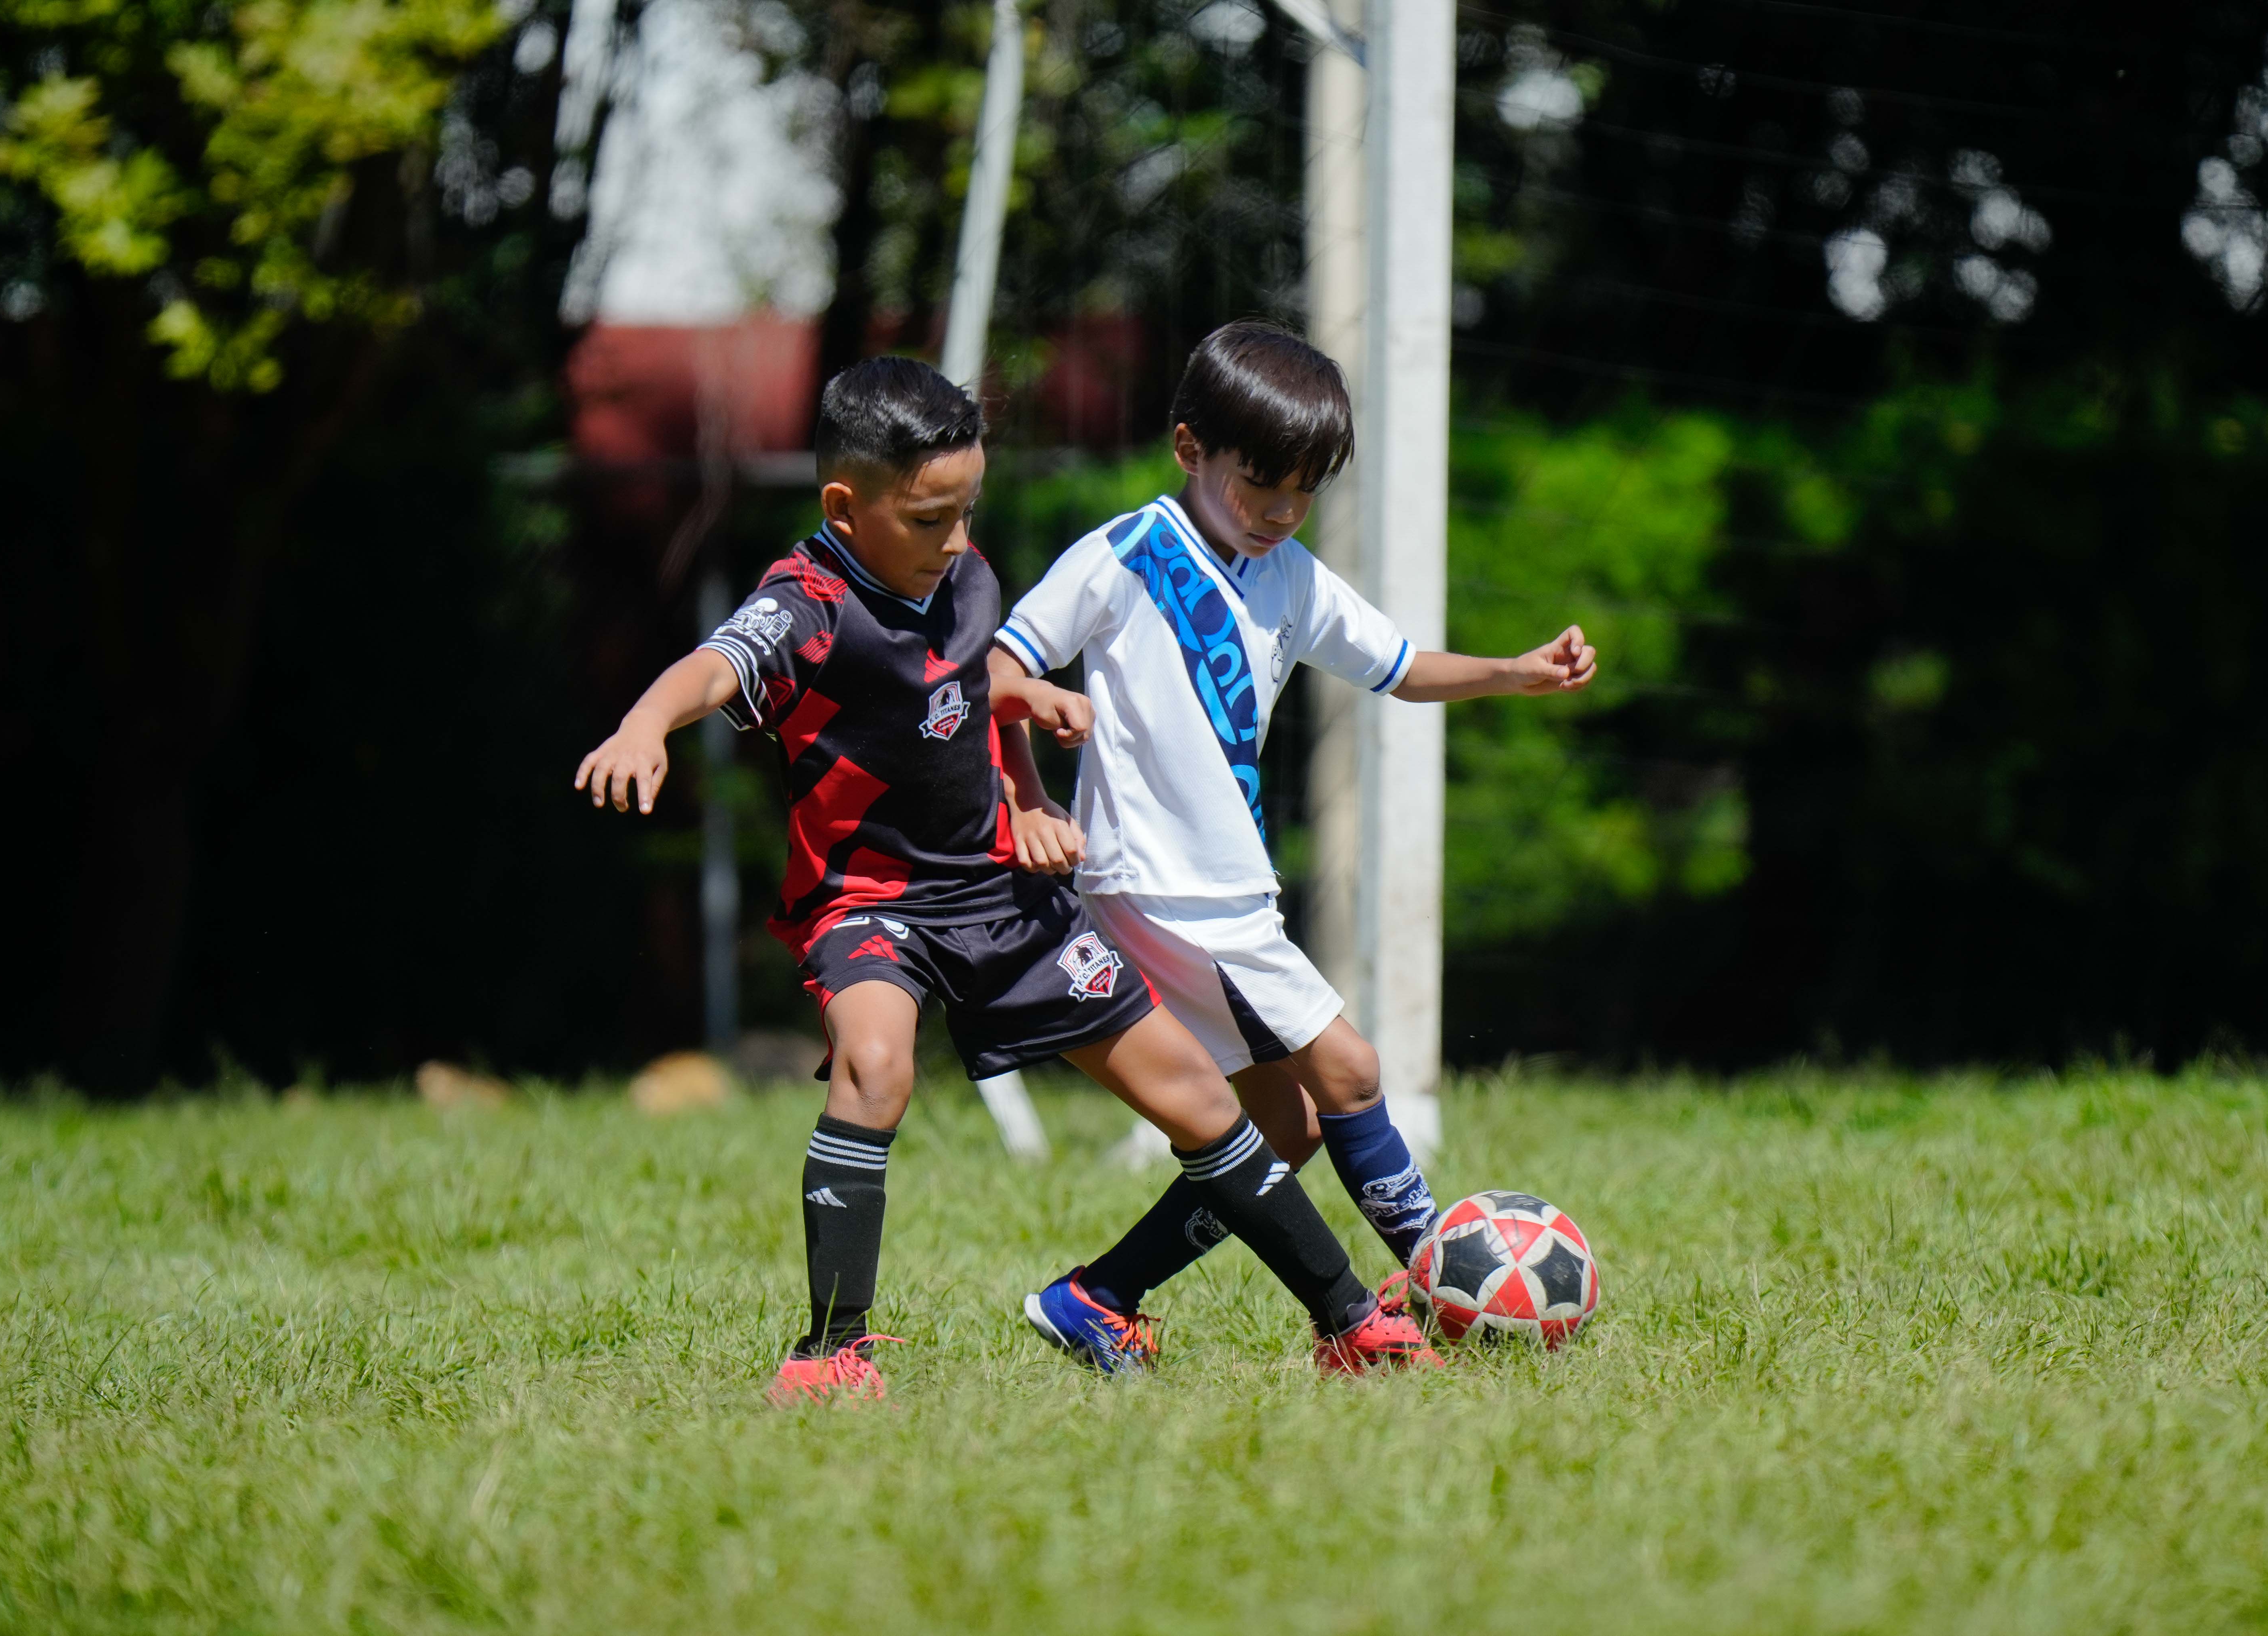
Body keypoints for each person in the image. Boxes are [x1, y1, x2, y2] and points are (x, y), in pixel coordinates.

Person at [574, 356, 1433, 1403]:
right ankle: (831, 1350)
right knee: (877, 1067)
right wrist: (641, 727)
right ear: (846, 507)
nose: (955, 538)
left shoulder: (965, 575)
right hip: (870, 901)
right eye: (930, 515)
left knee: (1201, 1098)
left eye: (966, 508)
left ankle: (1347, 1322)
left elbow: (980, 685)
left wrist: (1026, 753)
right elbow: (711, 665)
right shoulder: (805, 603)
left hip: (1001, 898)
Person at [989, 320, 1599, 1372]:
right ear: (1189, 449)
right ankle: (1447, 1292)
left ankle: (1096, 1297)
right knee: (1350, 1067)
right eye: (1257, 481)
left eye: (1301, 489)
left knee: (1280, 1128)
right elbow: (998, 666)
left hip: (1221, 894)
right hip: (1166, 887)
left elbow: (1399, 665)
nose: (1277, 509)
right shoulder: (1124, 554)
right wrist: (1030, 798)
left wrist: (1515, 670)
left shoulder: (1291, 576)